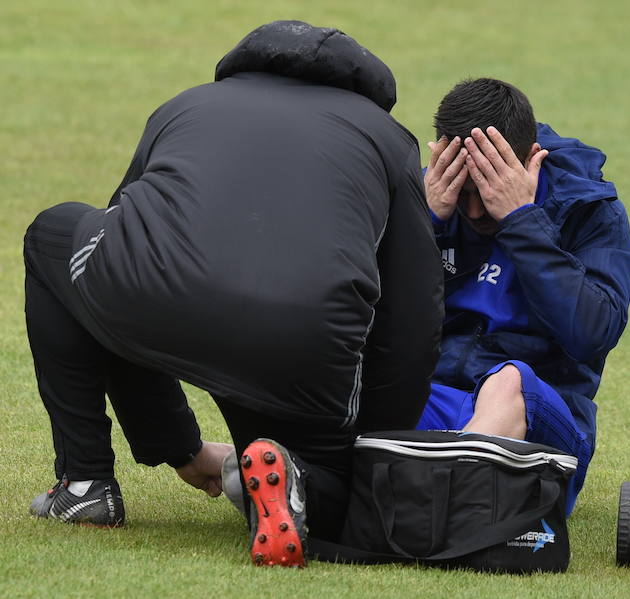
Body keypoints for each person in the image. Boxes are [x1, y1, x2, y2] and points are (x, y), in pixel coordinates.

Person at [23, 21, 442, 568]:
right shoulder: (390, 140)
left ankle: (85, 485)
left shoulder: (185, 105)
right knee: (316, 475)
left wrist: (178, 450)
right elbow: (413, 317)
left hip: (157, 300)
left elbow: (123, 257)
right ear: (365, 92)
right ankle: (300, 480)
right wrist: (371, 453)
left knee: (62, 243)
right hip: (301, 342)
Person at [416, 78, 630, 515]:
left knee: (510, 380)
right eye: (465, 194)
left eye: (487, 190)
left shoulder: (590, 211)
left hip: (539, 423)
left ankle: (435, 498)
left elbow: (592, 333)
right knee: (355, 370)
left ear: (531, 160)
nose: (477, 211)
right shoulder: (427, 198)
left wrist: (521, 220)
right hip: (433, 404)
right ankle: (287, 474)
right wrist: (425, 225)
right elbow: (366, 320)